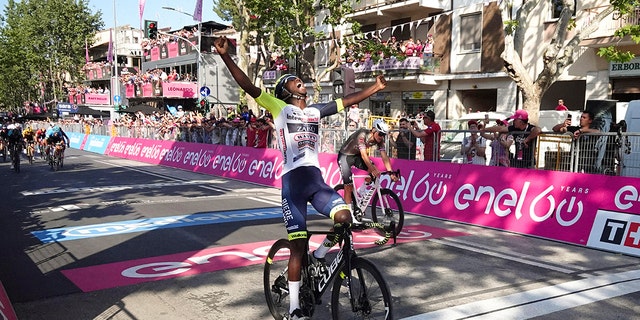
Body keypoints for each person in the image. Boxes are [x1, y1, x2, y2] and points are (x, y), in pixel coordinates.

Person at [214, 36, 387, 320]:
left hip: (316, 181)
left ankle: (320, 257)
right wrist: (225, 56)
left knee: (344, 217)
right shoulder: (279, 107)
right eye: (295, 81)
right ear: (285, 89)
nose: (301, 82)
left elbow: (347, 100)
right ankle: (294, 309)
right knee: (297, 247)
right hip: (293, 184)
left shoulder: (316, 111)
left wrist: (375, 88)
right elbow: (248, 85)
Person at [337, 119, 398, 209]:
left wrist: (390, 172)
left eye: (384, 135)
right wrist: (373, 170)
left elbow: (384, 156)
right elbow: (364, 156)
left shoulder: (380, 141)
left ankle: (361, 190)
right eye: (380, 134)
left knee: (375, 171)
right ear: (373, 130)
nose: (381, 137)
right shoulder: (362, 135)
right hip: (345, 156)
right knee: (348, 186)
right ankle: (348, 213)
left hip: (356, 156)